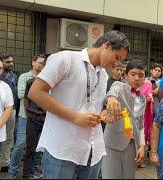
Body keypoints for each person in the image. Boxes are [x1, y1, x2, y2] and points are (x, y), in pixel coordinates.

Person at [28, 30, 130, 179]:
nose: (116, 64)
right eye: (116, 57)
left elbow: (93, 107)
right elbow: (35, 92)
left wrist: (104, 116)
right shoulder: (66, 59)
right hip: (63, 148)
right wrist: (75, 117)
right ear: (106, 45)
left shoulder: (103, 75)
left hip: (93, 150)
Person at [101, 59, 146, 179]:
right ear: (125, 75)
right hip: (112, 144)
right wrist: (111, 99)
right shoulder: (119, 86)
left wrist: (141, 145)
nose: (137, 78)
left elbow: (141, 125)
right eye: (133, 74)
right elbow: (112, 92)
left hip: (131, 146)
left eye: (141, 75)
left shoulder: (142, 99)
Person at [7, 54, 45, 178]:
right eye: (39, 62)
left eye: (43, 63)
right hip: (25, 116)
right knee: (21, 144)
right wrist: (39, 94)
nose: (41, 65)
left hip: (42, 116)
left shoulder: (45, 78)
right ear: (33, 62)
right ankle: (12, 170)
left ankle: (33, 169)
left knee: (39, 145)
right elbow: (21, 94)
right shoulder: (24, 77)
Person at [22, 59, 47, 179]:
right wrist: (28, 113)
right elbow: (26, 99)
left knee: (43, 148)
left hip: (47, 120)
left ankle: (40, 171)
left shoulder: (54, 84)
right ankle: (26, 174)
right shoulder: (31, 81)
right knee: (30, 148)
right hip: (33, 118)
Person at [0, 53, 18, 173]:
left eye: (11, 61)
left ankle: (5, 163)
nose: (11, 64)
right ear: (1, 63)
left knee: (8, 137)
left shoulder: (14, 76)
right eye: (7, 62)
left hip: (11, 110)